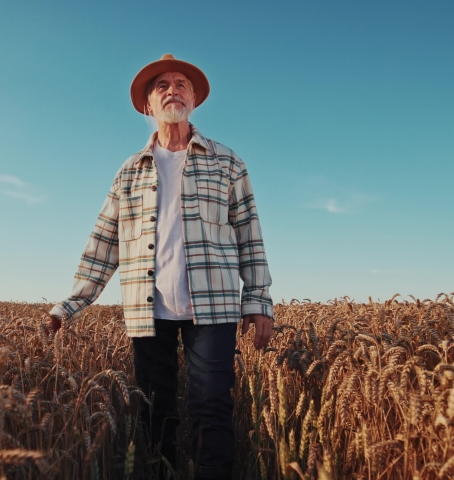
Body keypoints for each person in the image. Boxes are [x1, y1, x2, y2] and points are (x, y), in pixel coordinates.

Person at [47, 54, 274, 480]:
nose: (173, 90)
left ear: (194, 99)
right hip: (146, 309)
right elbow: (103, 243)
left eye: (182, 83)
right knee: (153, 405)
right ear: (147, 106)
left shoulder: (228, 162)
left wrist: (258, 299)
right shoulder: (129, 172)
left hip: (215, 308)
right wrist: (69, 305)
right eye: (162, 85)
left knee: (211, 404)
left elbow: (249, 233)